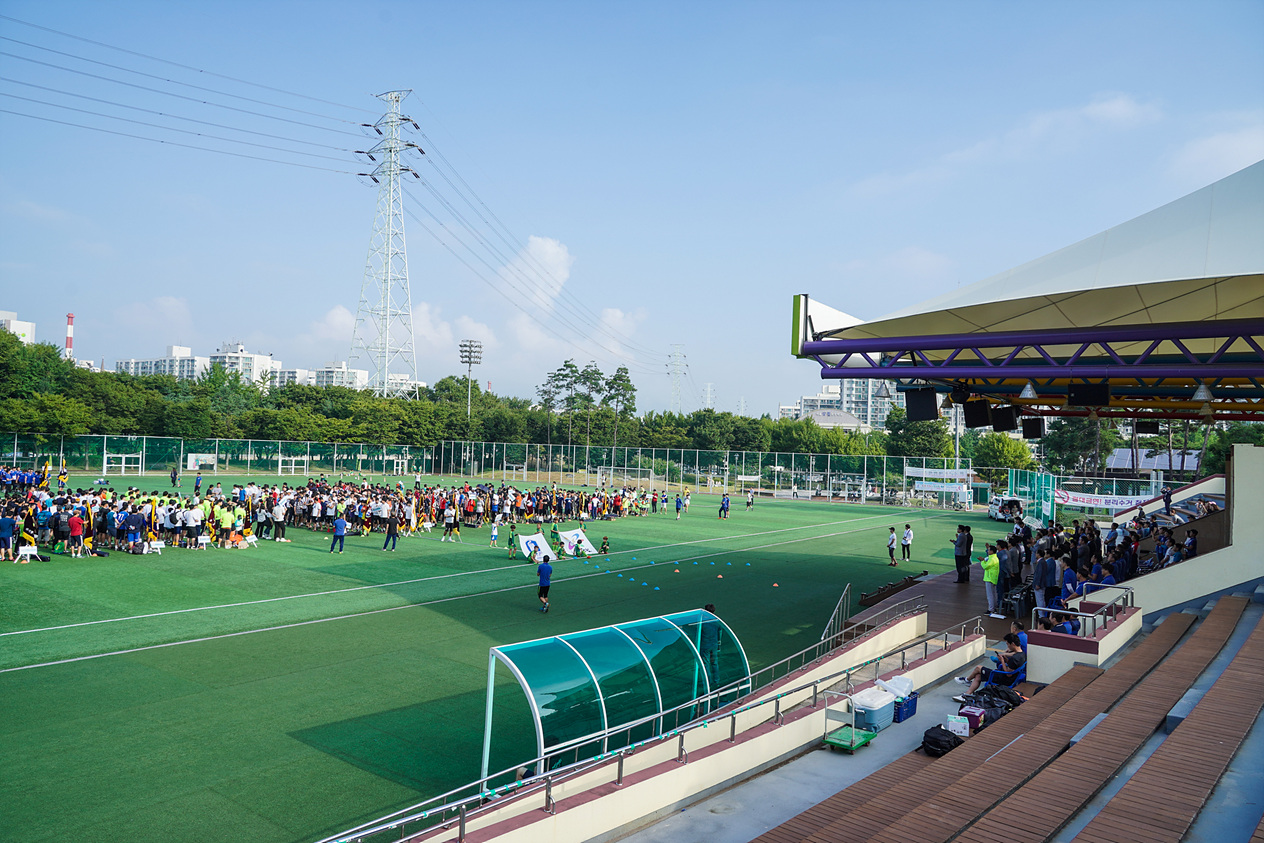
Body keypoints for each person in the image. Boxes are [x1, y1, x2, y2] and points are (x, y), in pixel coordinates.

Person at [953, 633, 1027, 701]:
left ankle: (967, 680)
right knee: (978, 676)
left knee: (978, 668)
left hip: (1004, 679)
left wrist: (1002, 661)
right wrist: (1006, 660)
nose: (1007, 646)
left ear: (1013, 644)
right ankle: (967, 695)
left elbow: (1008, 674)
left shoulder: (1015, 658)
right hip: (1009, 677)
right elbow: (1012, 667)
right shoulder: (1022, 654)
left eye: (1008, 644)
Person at [699, 604, 721, 689]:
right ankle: (716, 681)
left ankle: (708, 682)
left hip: (705, 646)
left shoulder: (703, 621)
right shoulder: (716, 620)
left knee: (706, 664)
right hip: (714, 645)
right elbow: (720, 631)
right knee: (714, 663)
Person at [978, 543, 1001, 616]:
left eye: (988, 550)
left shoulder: (992, 559)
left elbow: (985, 566)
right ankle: (993, 607)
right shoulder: (993, 557)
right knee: (993, 594)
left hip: (989, 578)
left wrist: (982, 561)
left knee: (990, 595)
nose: (987, 551)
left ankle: (991, 609)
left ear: (992, 551)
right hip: (992, 578)